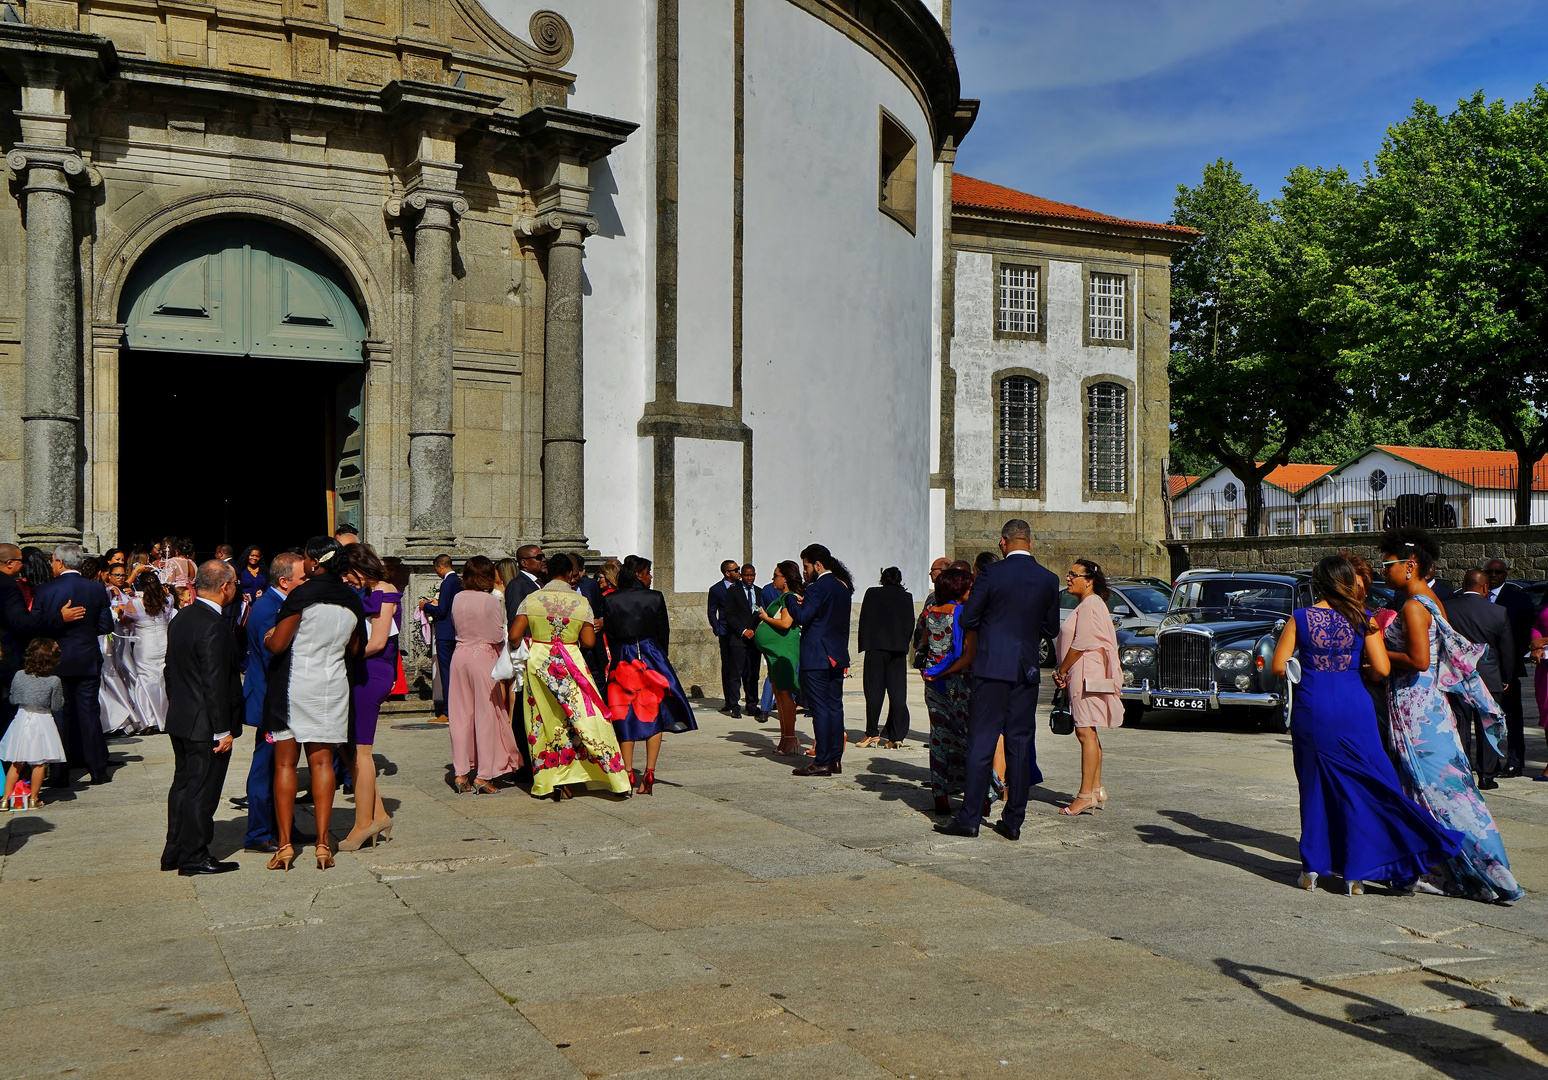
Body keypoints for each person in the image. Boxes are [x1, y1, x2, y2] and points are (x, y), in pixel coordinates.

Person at [1270, 554, 1464, 895]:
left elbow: (1277, 666)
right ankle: (1356, 875)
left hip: (1313, 706)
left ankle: (1312, 868)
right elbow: (1382, 669)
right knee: (1370, 784)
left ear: (1318, 582)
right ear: (1348, 582)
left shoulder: (1299, 618)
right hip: (1353, 705)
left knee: (1313, 788)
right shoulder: (1365, 618)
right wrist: (1358, 672)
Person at [1379, 528, 1522, 902]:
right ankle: (1438, 867)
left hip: (1418, 709)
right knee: (1442, 789)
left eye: (1387, 564)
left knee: (1441, 791)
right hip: (1431, 706)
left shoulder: (1413, 606)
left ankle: (1489, 872)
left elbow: (1420, 660)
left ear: (1410, 566)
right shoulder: (1433, 602)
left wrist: (1375, 649)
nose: (1383, 571)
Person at [936, 519, 1060, 841]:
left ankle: (970, 817)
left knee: (981, 742)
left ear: (1003, 543)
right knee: (1019, 743)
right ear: (1030, 543)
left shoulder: (991, 573)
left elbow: (970, 616)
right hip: (1026, 670)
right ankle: (1013, 820)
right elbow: (1050, 629)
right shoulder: (1048, 579)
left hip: (992, 667)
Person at [264, 537, 366, 872]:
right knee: (323, 764)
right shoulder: (352, 598)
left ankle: (284, 846)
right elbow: (354, 649)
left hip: (297, 683)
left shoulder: (302, 594)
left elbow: (278, 645)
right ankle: (324, 844)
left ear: (316, 562)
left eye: (307, 558)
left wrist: (267, 637)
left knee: (285, 765)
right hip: (332, 685)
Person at [510, 553, 630, 800]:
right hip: (570, 661)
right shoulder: (580, 602)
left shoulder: (532, 599)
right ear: (568, 574)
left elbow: (514, 636)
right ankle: (609, 774)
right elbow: (588, 641)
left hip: (539, 661)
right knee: (585, 717)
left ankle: (548, 780)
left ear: (547, 573)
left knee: (543, 720)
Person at [161, 560, 242, 876]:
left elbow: (170, 670)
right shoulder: (212, 624)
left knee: (183, 786)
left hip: (183, 716)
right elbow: (214, 680)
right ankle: (194, 854)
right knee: (201, 791)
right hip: (204, 724)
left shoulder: (183, 617)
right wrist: (221, 729)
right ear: (225, 587)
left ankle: (175, 851)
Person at [603, 554, 696, 793]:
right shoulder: (655, 597)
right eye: (647, 572)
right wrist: (659, 659)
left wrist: (620, 655)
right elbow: (663, 631)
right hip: (652, 653)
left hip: (623, 655)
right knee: (653, 711)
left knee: (623, 713)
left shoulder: (611, 599)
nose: (651, 576)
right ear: (638, 574)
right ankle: (650, 771)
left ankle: (627, 771)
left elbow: (611, 633)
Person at [32, 544, 115, 787]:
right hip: (86, 657)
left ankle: (59, 773)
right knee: (89, 713)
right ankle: (98, 770)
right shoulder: (96, 588)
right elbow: (106, 626)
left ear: (59, 562)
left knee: (59, 715)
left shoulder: (45, 590)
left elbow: (36, 625)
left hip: (56, 659)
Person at [241, 551, 305, 854]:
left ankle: (282, 826)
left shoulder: (279, 603)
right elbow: (274, 655)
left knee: (283, 766)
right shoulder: (270, 609)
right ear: (284, 581)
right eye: (303, 578)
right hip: (270, 699)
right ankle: (259, 833)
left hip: (278, 698)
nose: (307, 583)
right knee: (266, 768)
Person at [338, 544, 399, 846]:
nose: (346, 579)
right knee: (350, 748)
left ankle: (364, 825)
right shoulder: (373, 590)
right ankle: (379, 815)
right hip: (366, 669)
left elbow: (376, 642)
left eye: (348, 573)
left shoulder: (383, 591)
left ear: (359, 567)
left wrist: (340, 656)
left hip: (371, 670)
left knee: (361, 751)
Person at [1052, 559, 1123, 815]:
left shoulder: (1090, 603)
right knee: (1089, 731)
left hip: (1084, 672)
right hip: (1085, 671)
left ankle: (1084, 795)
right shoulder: (1092, 603)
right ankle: (1095, 789)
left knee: (1084, 732)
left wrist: (1061, 669)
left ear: (1088, 580)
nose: (1068, 578)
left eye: (1073, 574)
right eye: (1068, 573)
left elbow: (1081, 642)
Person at [448, 555, 522, 795]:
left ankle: (460, 773)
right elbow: (496, 635)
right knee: (486, 715)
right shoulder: (489, 601)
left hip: (459, 656)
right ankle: (484, 775)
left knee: (460, 716)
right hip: (483, 656)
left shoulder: (458, 597)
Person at [0, 543, 82, 740]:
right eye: (21, 561)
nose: (24, 565)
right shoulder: (7, 585)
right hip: (6, 653)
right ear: (9, 563)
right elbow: (19, 621)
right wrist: (58, 618)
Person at [919, 566, 983, 815]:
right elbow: (968, 656)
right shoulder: (965, 614)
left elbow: (923, 644)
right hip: (959, 682)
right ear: (960, 589)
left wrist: (935, 671)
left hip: (933, 683)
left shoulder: (928, 612)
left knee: (938, 737)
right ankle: (984, 795)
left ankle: (940, 795)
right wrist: (945, 671)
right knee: (969, 737)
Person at [786, 544, 854, 777]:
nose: (804, 571)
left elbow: (803, 616)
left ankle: (822, 760)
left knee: (820, 709)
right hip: (836, 655)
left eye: (806, 566)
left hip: (817, 656)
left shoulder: (817, 588)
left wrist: (791, 601)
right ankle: (835, 758)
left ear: (817, 564)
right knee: (835, 707)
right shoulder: (842, 588)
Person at [1446, 570, 1514, 790]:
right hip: (1489, 677)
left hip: (1456, 676)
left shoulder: (1448, 608)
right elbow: (1506, 650)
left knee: (1461, 725)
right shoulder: (1498, 611)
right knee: (1488, 726)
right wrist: (1506, 677)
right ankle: (1486, 776)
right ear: (1485, 588)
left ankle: (1463, 774)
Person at [1, 638, 67, 811]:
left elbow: (13, 698)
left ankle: (5, 799)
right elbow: (56, 705)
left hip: (22, 718)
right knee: (39, 762)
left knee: (18, 761)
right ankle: (33, 798)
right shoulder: (54, 681)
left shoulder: (19, 675)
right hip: (42, 719)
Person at [1483, 558, 1534, 776]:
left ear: (1505, 574)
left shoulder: (1518, 599)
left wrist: (1510, 663)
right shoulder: (1478, 597)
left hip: (1508, 669)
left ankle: (1515, 760)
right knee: (1484, 717)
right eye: (1490, 572)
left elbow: (1523, 635)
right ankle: (1487, 762)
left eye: (1498, 572)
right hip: (1480, 667)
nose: (1494, 575)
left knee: (1513, 717)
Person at [857, 567, 914, 748]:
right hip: (897, 650)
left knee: (874, 691)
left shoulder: (872, 593)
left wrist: (864, 644)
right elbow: (909, 623)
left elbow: (865, 619)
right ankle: (896, 736)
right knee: (898, 692)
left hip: (875, 648)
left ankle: (872, 732)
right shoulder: (906, 597)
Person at [754, 560, 805, 756]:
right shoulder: (784, 596)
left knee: (784, 695)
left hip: (784, 651)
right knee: (779, 692)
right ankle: (785, 737)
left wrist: (764, 617)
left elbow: (785, 623)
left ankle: (790, 737)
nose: (773, 579)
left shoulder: (789, 597)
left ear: (785, 579)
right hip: (776, 652)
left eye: (776, 575)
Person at [117, 571, 174, 733]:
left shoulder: (135, 603)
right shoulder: (168, 600)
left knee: (145, 680)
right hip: (164, 641)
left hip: (145, 645)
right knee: (163, 679)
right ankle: (165, 717)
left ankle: (148, 720)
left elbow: (126, 619)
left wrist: (120, 611)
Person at [417, 554, 461, 724]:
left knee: (446, 673)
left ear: (440, 566)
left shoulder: (447, 582)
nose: (437, 573)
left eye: (436, 569)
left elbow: (442, 610)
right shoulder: (457, 581)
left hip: (445, 633)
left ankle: (447, 711)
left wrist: (425, 606)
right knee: (454, 672)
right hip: (455, 631)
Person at [720, 562, 763, 720]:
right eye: (746, 575)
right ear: (741, 575)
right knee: (736, 673)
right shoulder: (733, 591)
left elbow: (761, 612)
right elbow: (729, 615)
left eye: (752, 575)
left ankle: (752, 704)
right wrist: (743, 631)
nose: (749, 578)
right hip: (738, 639)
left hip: (754, 640)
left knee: (753, 673)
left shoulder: (759, 592)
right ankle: (734, 705)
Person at [573, 555, 612, 697]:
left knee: (599, 691)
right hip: (571, 652)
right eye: (570, 575)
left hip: (595, 652)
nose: (573, 580)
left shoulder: (590, 585)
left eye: (576, 574)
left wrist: (602, 622)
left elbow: (603, 610)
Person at [707, 559, 742, 716]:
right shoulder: (716, 589)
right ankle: (730, 701)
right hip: (726, 633)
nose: (738, 572)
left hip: (741, 631)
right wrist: (717, 628)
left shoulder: (742, 587)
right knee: (728, 666)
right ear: (727, 573)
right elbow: (711, 611)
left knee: (742, 666)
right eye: (735, 570)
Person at [504, 544, 545, 622]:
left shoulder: (543, 582)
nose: (544, 560)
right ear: (524, 563)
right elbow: (515, 617)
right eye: (539, 558)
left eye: (544, 556)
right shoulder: (517, 584)